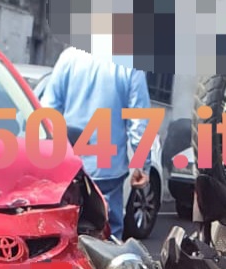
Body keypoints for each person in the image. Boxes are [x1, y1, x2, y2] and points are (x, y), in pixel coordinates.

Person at [39, 42, 151, 238]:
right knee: (109, 235)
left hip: (68, 168)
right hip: (107, 171)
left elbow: (47, 111)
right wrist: (142, 165)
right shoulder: (131, 66)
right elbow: (140, 122)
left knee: (63, 232)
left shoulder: (69, 58)